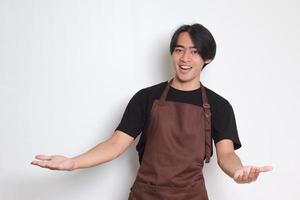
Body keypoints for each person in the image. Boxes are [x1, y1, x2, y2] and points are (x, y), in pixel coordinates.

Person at [31, 23, 273, 200]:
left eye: (194, 51)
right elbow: (115, 145)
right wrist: (73, 163)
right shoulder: (146, 98)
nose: (185, 57)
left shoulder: (219, 106)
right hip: (145, 195)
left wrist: (238, 172)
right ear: (172, 54)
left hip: (192, 196)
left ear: (207, 58)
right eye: (179, 50)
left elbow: (226, 155)